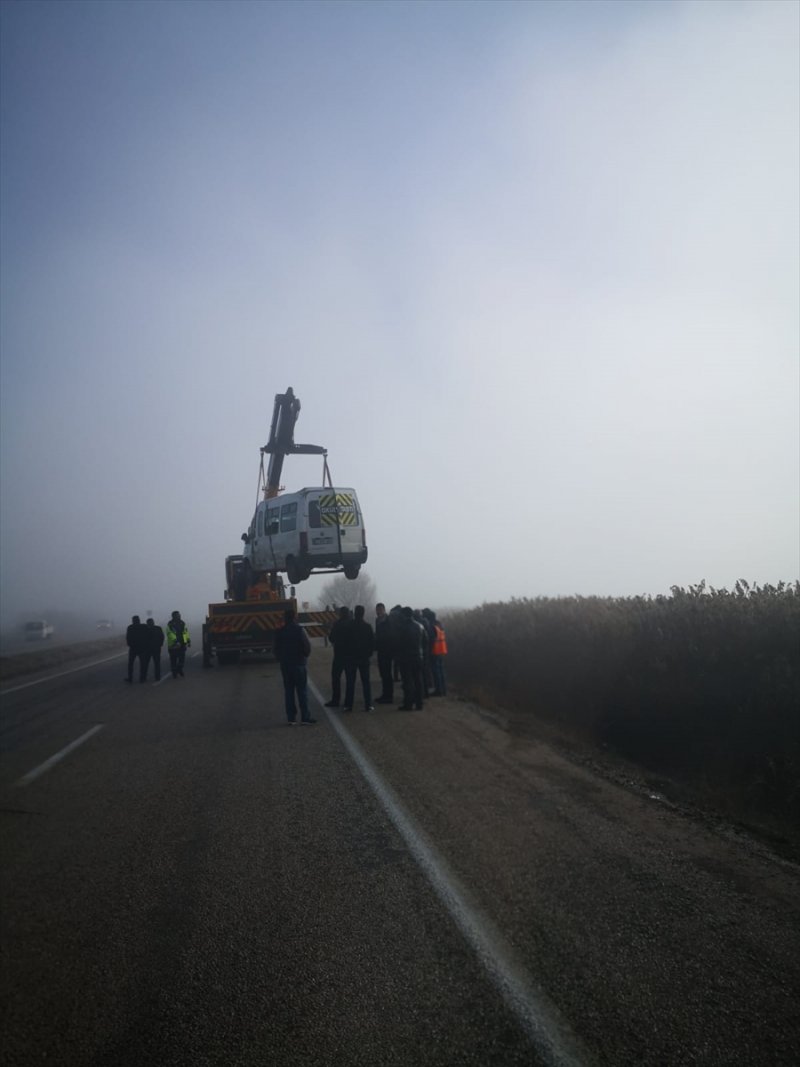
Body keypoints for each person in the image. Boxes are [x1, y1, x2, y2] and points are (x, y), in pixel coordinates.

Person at [274, 608, 315, 724]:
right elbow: (307, 646)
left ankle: (291, 718)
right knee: (302, 691)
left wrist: (281, 659)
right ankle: (305, 717)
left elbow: (276, 648)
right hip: (299, 664)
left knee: (289, 691)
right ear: (294, 617)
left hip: (286, 665)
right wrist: (304, 656)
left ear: (285, 618)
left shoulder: (279, 631)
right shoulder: (300, 630)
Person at [343, 605, 375, 712]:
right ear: (363, 613)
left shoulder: (348, 626)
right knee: (366, 682)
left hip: (350, 657)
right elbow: (372, 643)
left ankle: (348, 705)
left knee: (350, 682)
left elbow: (344, 642)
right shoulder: (368, 627)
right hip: (364, 658)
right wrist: (369, 654)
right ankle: (368, 705)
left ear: (355, 613)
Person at [395, 606, 425, 710]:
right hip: (418, 657)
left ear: (404, 615)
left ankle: (408, 704)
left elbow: (398, 643)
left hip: (406, 658)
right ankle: (419, 703)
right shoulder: (420, 626)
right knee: (418, 681)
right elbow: (426, 641)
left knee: (407, 682)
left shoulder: (401, 627)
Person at [324, 606, 351, 707]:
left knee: (336, 678)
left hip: (339, 654)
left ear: (340, 614)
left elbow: (331, 638)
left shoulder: (337, 624)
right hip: (350, 655)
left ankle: (336, 700)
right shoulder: (352, 624)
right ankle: (349, 702)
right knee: (350, 679)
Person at [374, 602, 394, 704]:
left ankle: (389, 696)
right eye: (377, 610)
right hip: (381, 650)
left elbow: (389, 636)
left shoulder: (388, 620)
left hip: (387, 650)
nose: (378, 612)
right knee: (383, 673)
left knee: (387, 673)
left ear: (383, 610)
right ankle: (385, 694)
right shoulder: (377, 620)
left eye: (380, 610)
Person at [427, 611, 448, 696]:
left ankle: (438, 691)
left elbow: (431, 640)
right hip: (441, 650)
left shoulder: (432, 626)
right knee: (441, 671)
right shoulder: (439, 624)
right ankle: (443, 690)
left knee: (436, 672)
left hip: (435, 651)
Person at [166, 611, 191, 678]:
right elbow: (170, 633)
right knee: (173, 660)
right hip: (173, 645)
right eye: (177, 615)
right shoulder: (170, 624)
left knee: (182, 660)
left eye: (179, 615)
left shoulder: (182, 623)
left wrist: (187, 640)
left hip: (182, 644)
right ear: (173, 616)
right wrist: (175, 641)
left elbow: (185, 632)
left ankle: (179, 669)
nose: (179, 616)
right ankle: (174, 673)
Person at [124, 615, 149, 683]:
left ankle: (131, 678)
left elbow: (128, 637)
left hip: (134, 648)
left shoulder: (130, 627)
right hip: (141, 648)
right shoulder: (143, 626)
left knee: (131, 664)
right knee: (142, 664)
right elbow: (148, 636)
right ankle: (142, 678)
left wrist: (130, 644)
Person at [142, 617, 165, 682]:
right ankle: (146, 677)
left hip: (154, 649)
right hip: (149, 649)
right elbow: (162, 637)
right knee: (148, 664)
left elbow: (162, 637)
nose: (151, 623)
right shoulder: (145, 629)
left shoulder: (157, 628)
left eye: (151, 622)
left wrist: (160, 644)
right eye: (150, 622)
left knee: (154, 663)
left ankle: (156, 677)